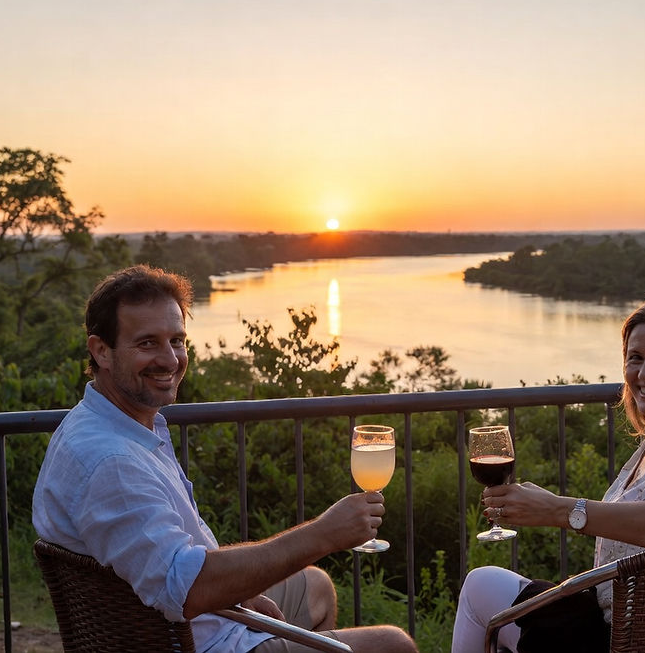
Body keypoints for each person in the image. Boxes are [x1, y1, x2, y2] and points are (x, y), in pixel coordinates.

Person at [32, 265, 416, 653]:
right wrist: (323, 534)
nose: (170, 360)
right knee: (392, 644)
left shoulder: (111, 425)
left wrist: (239, 594)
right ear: (102, 351)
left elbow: (161, 556)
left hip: (205, 618)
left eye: (177, 341)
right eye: (147, 343)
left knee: (314, 586)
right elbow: (186, 588)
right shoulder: (110, 460)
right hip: (203, 641)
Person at [451, 292, 645, 653]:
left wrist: (559, 510)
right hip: (622, 627)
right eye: (636, 358)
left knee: (481, 590)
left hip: (643, 641)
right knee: (483, 585)